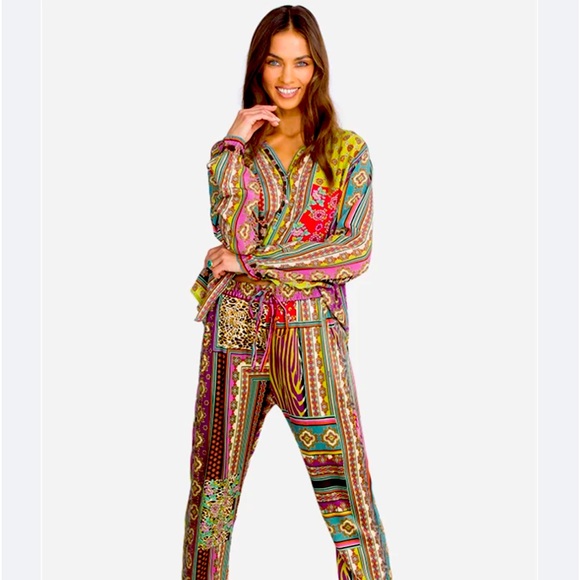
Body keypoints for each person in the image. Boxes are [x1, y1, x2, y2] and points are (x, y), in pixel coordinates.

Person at [181, 5, 393, 579]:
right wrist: (231, 142)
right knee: (213, 495)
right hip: (236, 326)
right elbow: (231, 232)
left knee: (347, 495)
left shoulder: (346, 151)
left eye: (300, 63)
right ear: (259, 67)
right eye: (275, 62)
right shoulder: (240, 153)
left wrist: (254, 262)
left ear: (317, 68)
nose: (287, 76)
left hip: (310, 334)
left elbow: (353, 250)